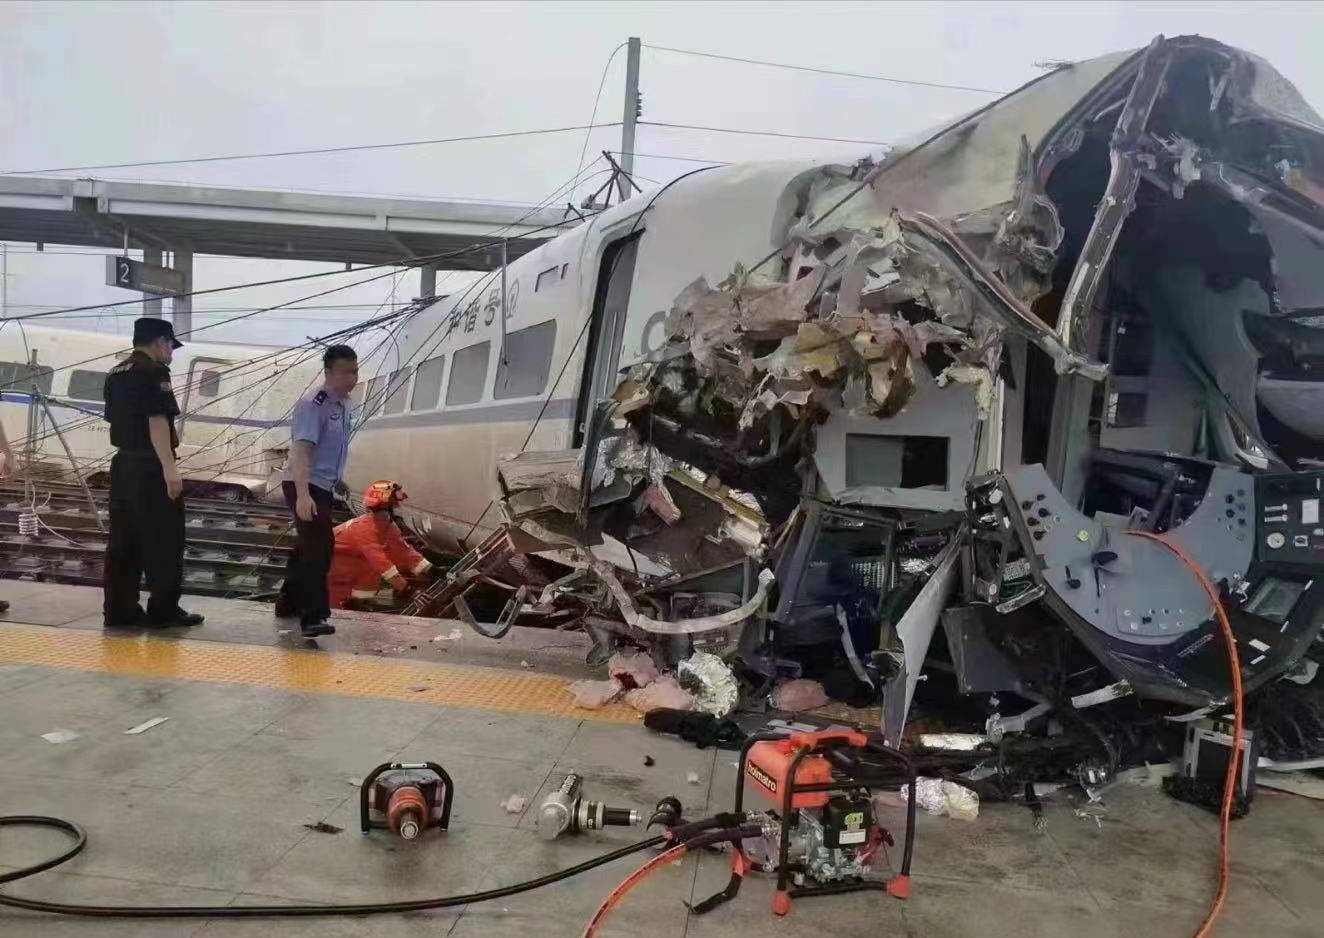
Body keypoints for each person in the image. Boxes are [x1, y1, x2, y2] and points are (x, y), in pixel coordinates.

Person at [102, 317, 204, 628]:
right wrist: (169, 469)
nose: (172, 352)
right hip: (150, 466)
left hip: (123, 465)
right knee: (164, 539)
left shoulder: (116, 372)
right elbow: (157, 420)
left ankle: (120, 610)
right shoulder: (155, 371)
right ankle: (163, 609)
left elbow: (114, 419)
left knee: (123, 540)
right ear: (160, 342)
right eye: (171, 345)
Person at [275, 344, 358, 636]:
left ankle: (287, 602)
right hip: (303, 483)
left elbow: (331, 449)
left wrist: (337, 479)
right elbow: (301, 450)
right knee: (319, 549)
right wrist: (303, 495)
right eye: (345, 372)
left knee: (306, 547)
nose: (351, 378)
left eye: (355, 371)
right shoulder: (314, 404)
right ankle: (313, 617)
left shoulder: (346, 404)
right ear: (328, 372)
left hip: (323, 484)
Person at [327, 480, 433, 609]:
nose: (397, 507)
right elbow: (382, 565)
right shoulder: (364, 529)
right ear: (384, 506)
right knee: (336, 604)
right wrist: (407, 590)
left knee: (368, 569)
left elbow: (404, 551)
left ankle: (358, 603)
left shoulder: (387, 526)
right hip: (331, 565)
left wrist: (431, 570)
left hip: (347, 562)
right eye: (394, 504)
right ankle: (343, 610)